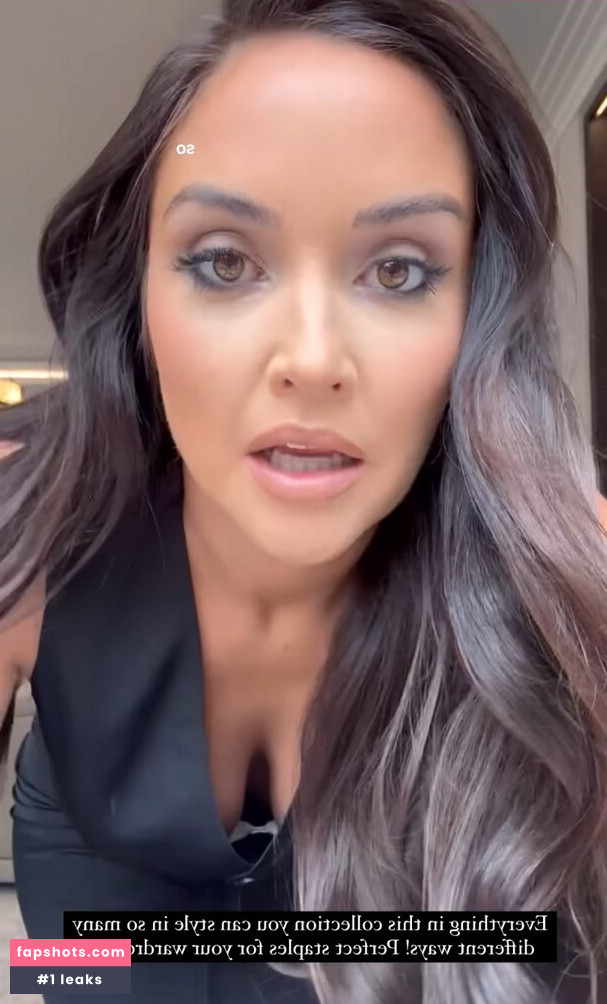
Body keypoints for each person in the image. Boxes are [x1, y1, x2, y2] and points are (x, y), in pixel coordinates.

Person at [1, 0, 607, 1002]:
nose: (314, 359)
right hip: (94, 918)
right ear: (138, 297)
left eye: (398, 270)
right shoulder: (34, 509)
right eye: (224, 260)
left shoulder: (562, 568)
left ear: (477, 315)